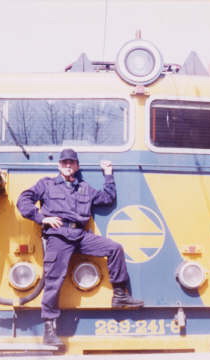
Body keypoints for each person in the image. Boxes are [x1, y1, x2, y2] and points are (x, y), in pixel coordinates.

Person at [17, 148, 143, 347]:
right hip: (58, 236)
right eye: (64, 162)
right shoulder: (47, 184)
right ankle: (49, 330)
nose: (68, 166)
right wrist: (42, 218)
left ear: (77, 166)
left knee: (115, 248)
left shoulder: (84, 188)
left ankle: (120, 295)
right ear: (59, 165)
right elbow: (23, 200)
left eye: (71, 163)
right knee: (54, 279)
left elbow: (107, 198)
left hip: (80, 235)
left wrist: (108, 175)